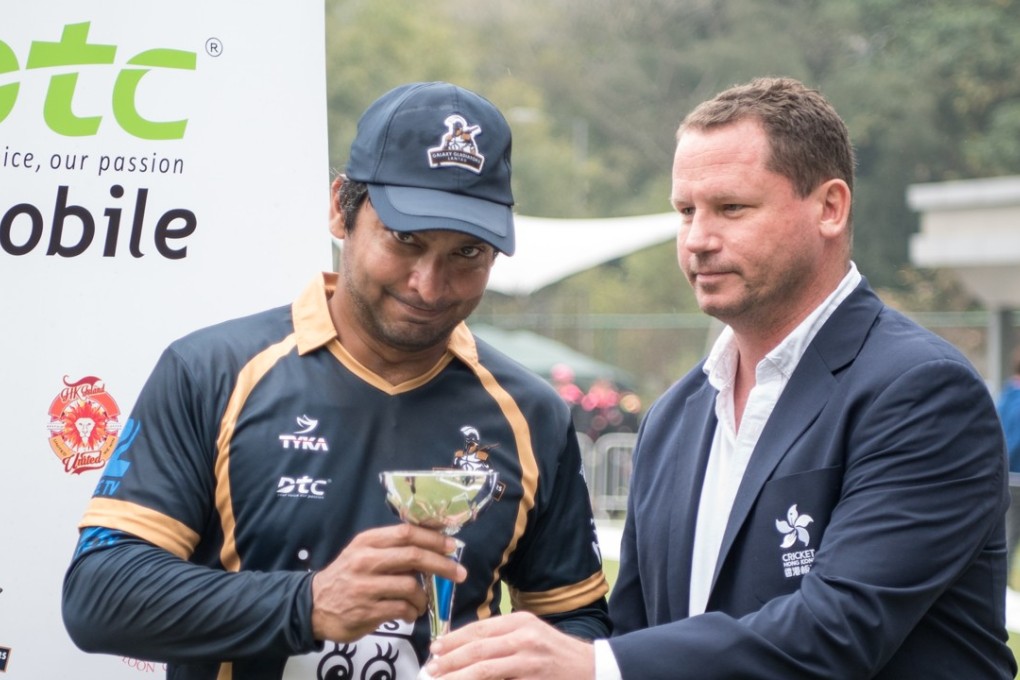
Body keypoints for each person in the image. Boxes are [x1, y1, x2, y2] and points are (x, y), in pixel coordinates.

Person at [423, 76, 1016, 679]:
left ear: (830, 208)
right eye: (686, 211)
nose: (698, 240)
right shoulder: (673, 417)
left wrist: (598, 665)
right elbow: (642, 634)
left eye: (732, 208)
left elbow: (838, 630)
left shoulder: (922, 391)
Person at [61, 81, 610, 679]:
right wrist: (308, 604)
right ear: (339, 209)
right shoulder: (211, 372)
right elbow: (99, 595)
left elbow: (575, 622)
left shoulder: (531, 413)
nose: (429, 285)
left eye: (468, 253)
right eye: (405, 239)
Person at [999, 350, 1020, 574]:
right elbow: (1015, 441)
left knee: (1008, 533)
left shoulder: (1006, 394)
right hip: (1016, 476)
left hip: (1006, 476)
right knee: (1011, 534)